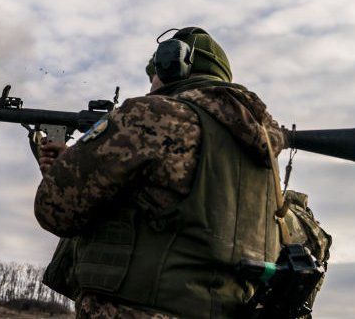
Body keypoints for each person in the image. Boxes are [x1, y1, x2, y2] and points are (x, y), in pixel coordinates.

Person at [34, 27, 288, 319]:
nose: (151, 83)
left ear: (173, 65)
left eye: (153, 72)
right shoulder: (263, 154)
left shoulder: (153, 115)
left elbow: (55, 209)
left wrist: (67, 170)